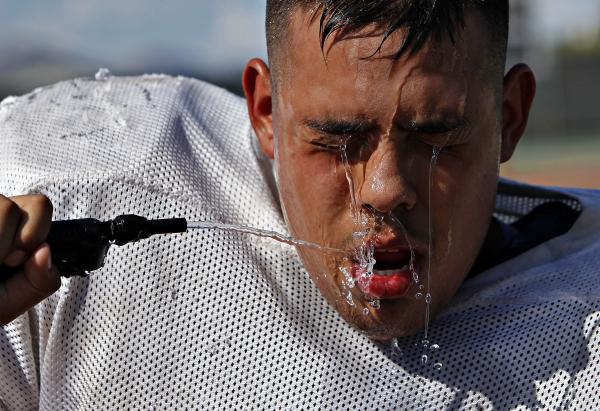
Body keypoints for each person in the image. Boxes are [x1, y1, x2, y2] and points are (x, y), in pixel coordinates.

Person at [1, 1, 599, 409]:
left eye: (438, 137)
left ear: (511, 118)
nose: (385, 189)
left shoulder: (585, 308)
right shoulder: (96, 183)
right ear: (265, 112)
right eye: (337, 139)